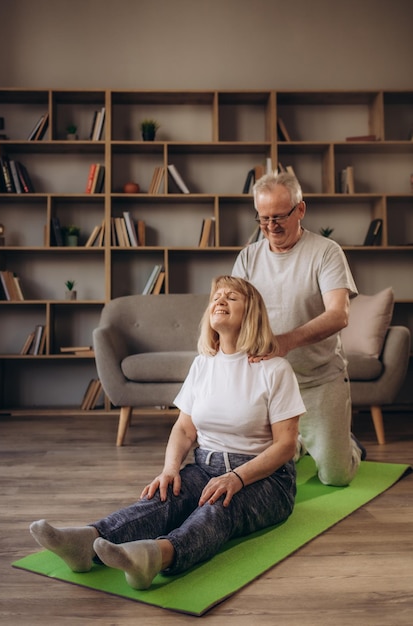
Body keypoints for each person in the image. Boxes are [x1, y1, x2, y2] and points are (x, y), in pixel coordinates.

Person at [29, 276, 305, 591]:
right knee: (163, 497)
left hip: (266, 480)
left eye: (232, 297)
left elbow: (286, 445)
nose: (220, 301)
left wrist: (237, 478)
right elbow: (185, 428)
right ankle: (87, 541)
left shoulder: (275, 369)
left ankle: (155, 558)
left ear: (252, 312)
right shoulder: (204, 365)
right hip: (206, 466)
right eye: (216, 296)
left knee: (218, 507)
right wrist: (169, 470)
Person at [232, 171, 365, 487]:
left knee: (336, 477)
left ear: (300, 210)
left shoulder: (325, 251)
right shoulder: (248, 257)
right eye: (263, 219)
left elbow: (338, 315)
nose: (271, 226)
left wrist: (286, 341)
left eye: (279, 216)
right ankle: (301, 442)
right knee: (267, 472)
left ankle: (351, 446)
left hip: (320, 378)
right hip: (270, 386)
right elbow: (237, 316)